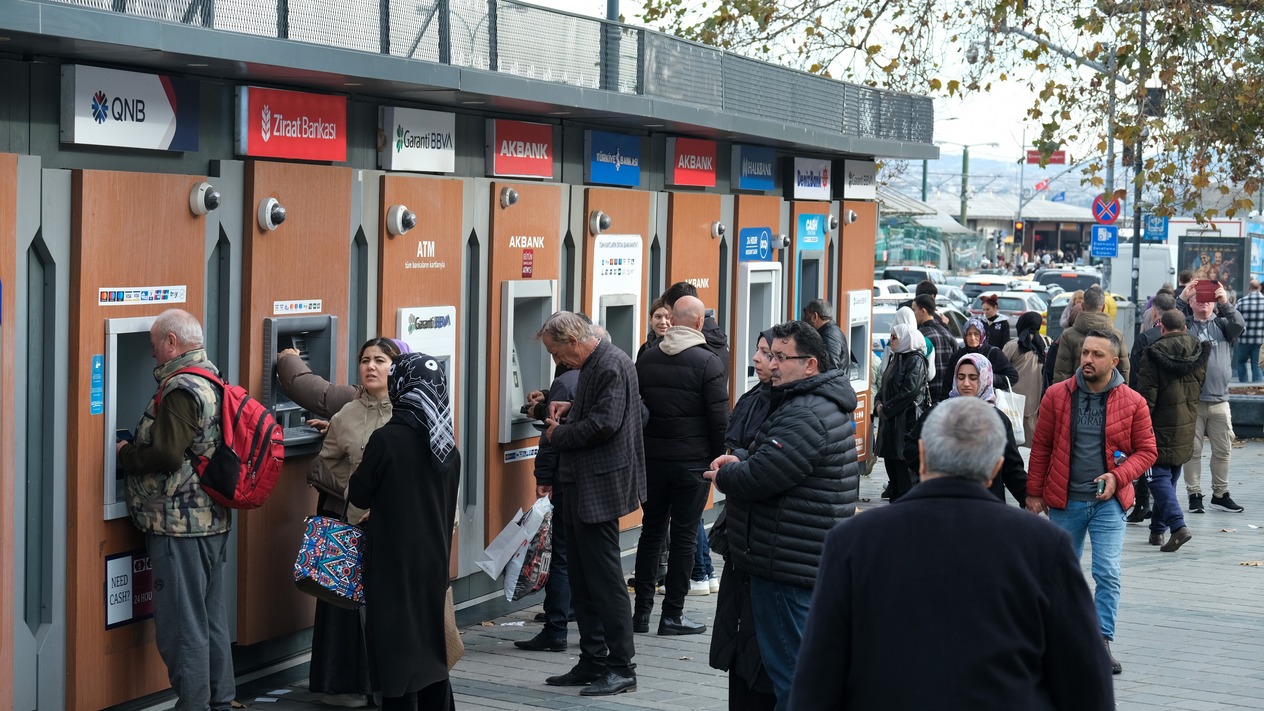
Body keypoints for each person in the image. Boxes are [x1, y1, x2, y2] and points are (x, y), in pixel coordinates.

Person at [788, 397, 1113, 711]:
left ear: (924, 457)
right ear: (995, 468)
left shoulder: (852, 541)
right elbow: (1087, 684)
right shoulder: (1045, 546)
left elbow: (816, 679)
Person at [705, 320, 859, 711]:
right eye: (770, 355)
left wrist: (726, 473)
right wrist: (739, 457)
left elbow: (761, 475)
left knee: (793, 676)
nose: (771, 364)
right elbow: (764, 454)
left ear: (809, 365)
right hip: (793, 556)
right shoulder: (806, 404)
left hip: (786, 563)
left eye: (779, 357)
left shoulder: (807, 411)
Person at [115, 309, 236, 711]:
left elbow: (166, 453)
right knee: (210, 619)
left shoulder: (181, 388)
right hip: (210, 519)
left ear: (171, 342)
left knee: (183, 626)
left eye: (154, 346)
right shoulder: (211, 377)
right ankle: (220, 701)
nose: (151, 354)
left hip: (181, 526)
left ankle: (195, 705)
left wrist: (126, 453)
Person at [1027, 330, 1157, 675]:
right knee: (1060, 575)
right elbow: (1041, 446)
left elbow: (1147, 451)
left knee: (1107, 572)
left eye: (1097, 355)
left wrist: (1118, 477)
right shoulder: (1057, 396)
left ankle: (1101, 641)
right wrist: (1034, 492)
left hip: (1108, 504)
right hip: (1064, 499)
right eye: (1085, 353)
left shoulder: (1133, 402)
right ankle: (1060, 641)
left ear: (1113, 362)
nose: (1087, 359)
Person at [538, 312, 646, 696]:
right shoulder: (596, 364)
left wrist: (559, 434)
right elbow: (598, 414)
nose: (558, 362)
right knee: (583, 578)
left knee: (604, 579)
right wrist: (570, 410)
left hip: (598, 486)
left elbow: (604, 424)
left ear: (571, 340)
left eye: (557, 352)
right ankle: (593, 659)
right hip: (582, 483)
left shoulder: (610, 363)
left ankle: (621, 666)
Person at [347, 352, 460, 711]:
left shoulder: (387, 440)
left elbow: (360, 494)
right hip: (435, 560)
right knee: (431, 645)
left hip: (392, 562)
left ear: (400, 386)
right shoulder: (447, 448)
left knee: (396, 650)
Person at [306, 337, 403, 707]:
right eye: (365, 360)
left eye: (380, 359)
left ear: (396, 366)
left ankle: (391, 683)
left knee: (389, 605)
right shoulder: (345, 415)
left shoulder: (410, 412)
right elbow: (323, 467)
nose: (371, 367)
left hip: (396, 526)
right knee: (349, 606)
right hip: (354, 524)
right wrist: (356, 492)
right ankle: (353, 683)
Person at [632, 296, 729, 636]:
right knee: (685, 536)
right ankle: (672, 615)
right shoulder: (708, 362)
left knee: (651, 532)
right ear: (700, 323)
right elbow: (720, 420)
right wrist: (720, 461)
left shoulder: (646, 358)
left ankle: (640, 614)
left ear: (672, 320)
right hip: (693, 463)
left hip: (652, 460)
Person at [710, 329, 777, 711]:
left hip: (762, 538)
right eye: (759, 351)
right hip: (741, 527)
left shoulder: (790, 407)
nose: (758, 358)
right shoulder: (753, 396)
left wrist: (739, 464)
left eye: (768, 353)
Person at [514, 365, 579, 653]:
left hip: (567, 480)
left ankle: (556, 628)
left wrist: (543, 478)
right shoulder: (601, 377)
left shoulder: (565, 382)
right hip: (596, 485)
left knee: (561, 557)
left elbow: (550, 441)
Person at [1135, 309, 1209, 552]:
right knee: (1169, 476)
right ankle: (1157, 531)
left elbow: (1148, 396)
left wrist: (1138, 424)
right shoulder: (1199, 351)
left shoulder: (1153, 353)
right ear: (1185, 328)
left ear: (1161, 327)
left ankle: (1177, 526)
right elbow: (1199, 384)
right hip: (1187, 421)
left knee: (1156, 476)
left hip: (1158, 425)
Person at [1177, 278, 1246, 513]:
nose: (1204, 304)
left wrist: (1225, 303)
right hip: (1192, 401)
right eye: (1199, 299)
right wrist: (1181, 299)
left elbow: (1240, 324)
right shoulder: (1184, 326)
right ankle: (1194, 494)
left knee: (1223, 449)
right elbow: (1162, 328)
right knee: (1192, 451)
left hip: (1220, 400)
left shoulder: (1224, 325)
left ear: (1214, 304)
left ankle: (1220, 493)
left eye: (1209, 300)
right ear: (1192, 303)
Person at [1124, 292, 1177, 521]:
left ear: (1154, 311)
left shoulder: (1146, 339)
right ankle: (1161, 510)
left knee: (1143, 453)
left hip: (1147, 405)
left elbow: (1136, 376)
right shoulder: (1187, 340)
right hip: (1175, 407)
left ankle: (1143, 501)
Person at [875, 323, 929, 502]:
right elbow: (884, 385)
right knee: (892, 464)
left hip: (904, 422)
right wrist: (878, 402)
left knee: (902, 466)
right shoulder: (895, 357)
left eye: (894, 337)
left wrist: (887, 409)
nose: (890, 340)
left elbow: (910, 391)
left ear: (906, 338)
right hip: (890, 421)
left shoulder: (915, 359)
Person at [1053, 286, 1130, 383]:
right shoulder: (1117, 335)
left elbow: (1062, 372)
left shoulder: (1068, 335)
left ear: (1083, 306)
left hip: (1075, 394)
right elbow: (1124, 370)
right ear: (1103, 307)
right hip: (1109, 394)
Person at [1001, 310, 1050, 446]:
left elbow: (999, 368)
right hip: (1036, 405)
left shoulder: (1012, 346)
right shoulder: (1045, 343)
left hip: (1012, 405)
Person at [948, 318, 1019, 390]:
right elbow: (948, 383)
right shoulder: (958, 356)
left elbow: (1013, 377)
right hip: (963, 399)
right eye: (969, 334)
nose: (972, 338)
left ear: (982, 335)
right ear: (964, 336)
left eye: (976, 334)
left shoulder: (994, 353)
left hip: (988, 400)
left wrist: (989, 377)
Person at [913, 294, 956, 404]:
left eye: (914, 310)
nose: (913, 314)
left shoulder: (920, 336)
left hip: (927, 395)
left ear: (923, 311)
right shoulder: (948, 333)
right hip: (948, 394)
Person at [802, 298, 846, 371]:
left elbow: (831, 370)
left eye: (806, 315)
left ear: (815, 317)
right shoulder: (831, 331)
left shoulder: (829, 337)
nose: (803, 319)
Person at [1234, 279, 1264, 382]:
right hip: (1259, 340)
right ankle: (1257, 388)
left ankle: (1243, 385)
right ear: (1260, 288)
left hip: (1243, 339)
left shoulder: (1241, 302)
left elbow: (1234, 319)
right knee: (1257, 364)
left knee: (1241, 362)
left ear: (1248, 288)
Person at [636, 297, 672, 361]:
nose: (663, 322)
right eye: (658, 317)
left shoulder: (677, 348)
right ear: (650, 319)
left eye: (667, 317)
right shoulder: (643, 349)